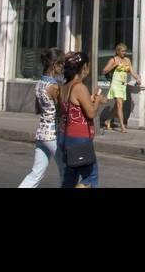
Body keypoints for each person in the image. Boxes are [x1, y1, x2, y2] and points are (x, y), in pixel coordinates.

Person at [18, 48, 64, 188]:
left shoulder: (39, 84)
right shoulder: (54, 87)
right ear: (54, 65)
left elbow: (38, 109)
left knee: (35, 173)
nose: (63, 67)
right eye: (61, 63)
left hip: (41, 132)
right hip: (53, 133)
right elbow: (62, 110)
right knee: (67, 172)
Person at [59, 51, 103, 188]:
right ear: (84, 67)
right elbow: (90, 113)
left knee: (70, 175)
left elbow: (71, 108)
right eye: (88, 66)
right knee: (90, 177)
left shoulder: (64, 87)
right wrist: (98, 101)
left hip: (65, 136)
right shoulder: (79, 87)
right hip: (79, 138)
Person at [100, 43, 137, 133]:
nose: (124, 53)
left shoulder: (127, 60)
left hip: (123, 85)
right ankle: (122, 127)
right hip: (116, 84)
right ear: (118, 51)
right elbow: (103, 71)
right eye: (122, 51)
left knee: (118, 105)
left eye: (125, 51)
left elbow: (132, 71)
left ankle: (108, 120)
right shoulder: (114, 59)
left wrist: (137, 78)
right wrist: (113, 66)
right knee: (120, 105)